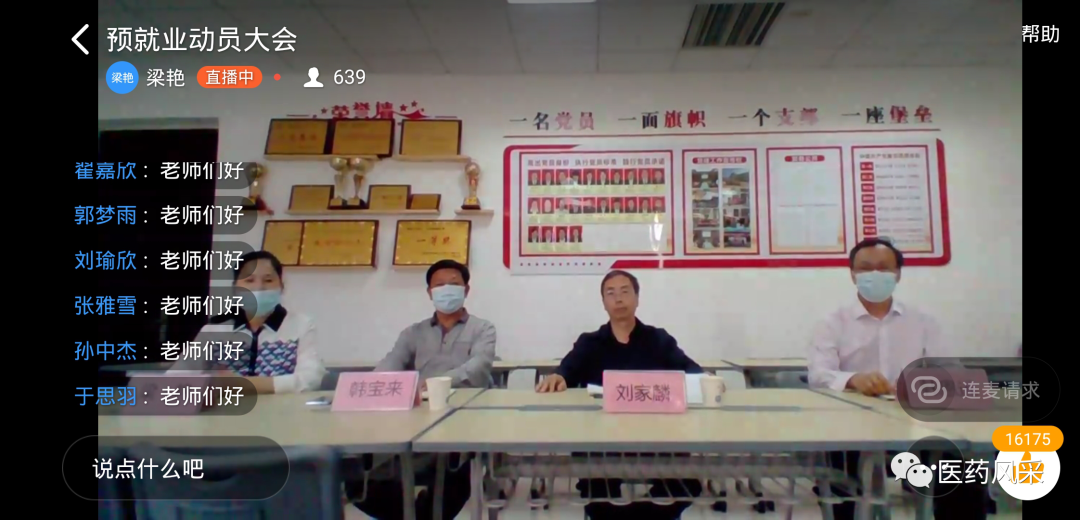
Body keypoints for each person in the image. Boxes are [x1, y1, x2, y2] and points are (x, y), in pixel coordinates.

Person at [807, 238, 986, 520]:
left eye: (884, 267)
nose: (874, 274)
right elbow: (818, 374)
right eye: (865, 268)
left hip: (915, 426)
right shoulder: (831, 323)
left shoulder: (922, 321)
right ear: (852, 274)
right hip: (850, 427)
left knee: (963, 470)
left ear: (898, 274)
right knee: (840, 477)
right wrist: (853, 380)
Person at [536, 270, 703, 519]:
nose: (619, 299)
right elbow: (566, 371)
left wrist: (707, 381)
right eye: (611, 293)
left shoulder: (658, 339)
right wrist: (558, 377)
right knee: (595, 490)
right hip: (601, 440)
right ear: (603, 302)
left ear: (637, 298)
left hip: (656, 436)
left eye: (625, 291)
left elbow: (691, 371)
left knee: (686, 485)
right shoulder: (590, 342)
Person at [350, 260, 495, 520]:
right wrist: (374, 385)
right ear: (429, 292)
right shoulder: (413, 333)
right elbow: (390, 364)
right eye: (439, 285)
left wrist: (436, 383)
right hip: (417, 418)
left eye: (454, 284)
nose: (447, 289)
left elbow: (479, 368)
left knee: (452, 475)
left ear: (466, 290)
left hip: (464, 417)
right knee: (359, 479)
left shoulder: (483, 328)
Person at [167, 251, 326, 393]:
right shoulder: (214, 329)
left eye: (268, 280)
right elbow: (174, 379)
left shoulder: (301, 325)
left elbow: (310, 379)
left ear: (282, 287)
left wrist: (240, 384)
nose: (259, 287)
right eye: (249, 281)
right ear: (235, 288)